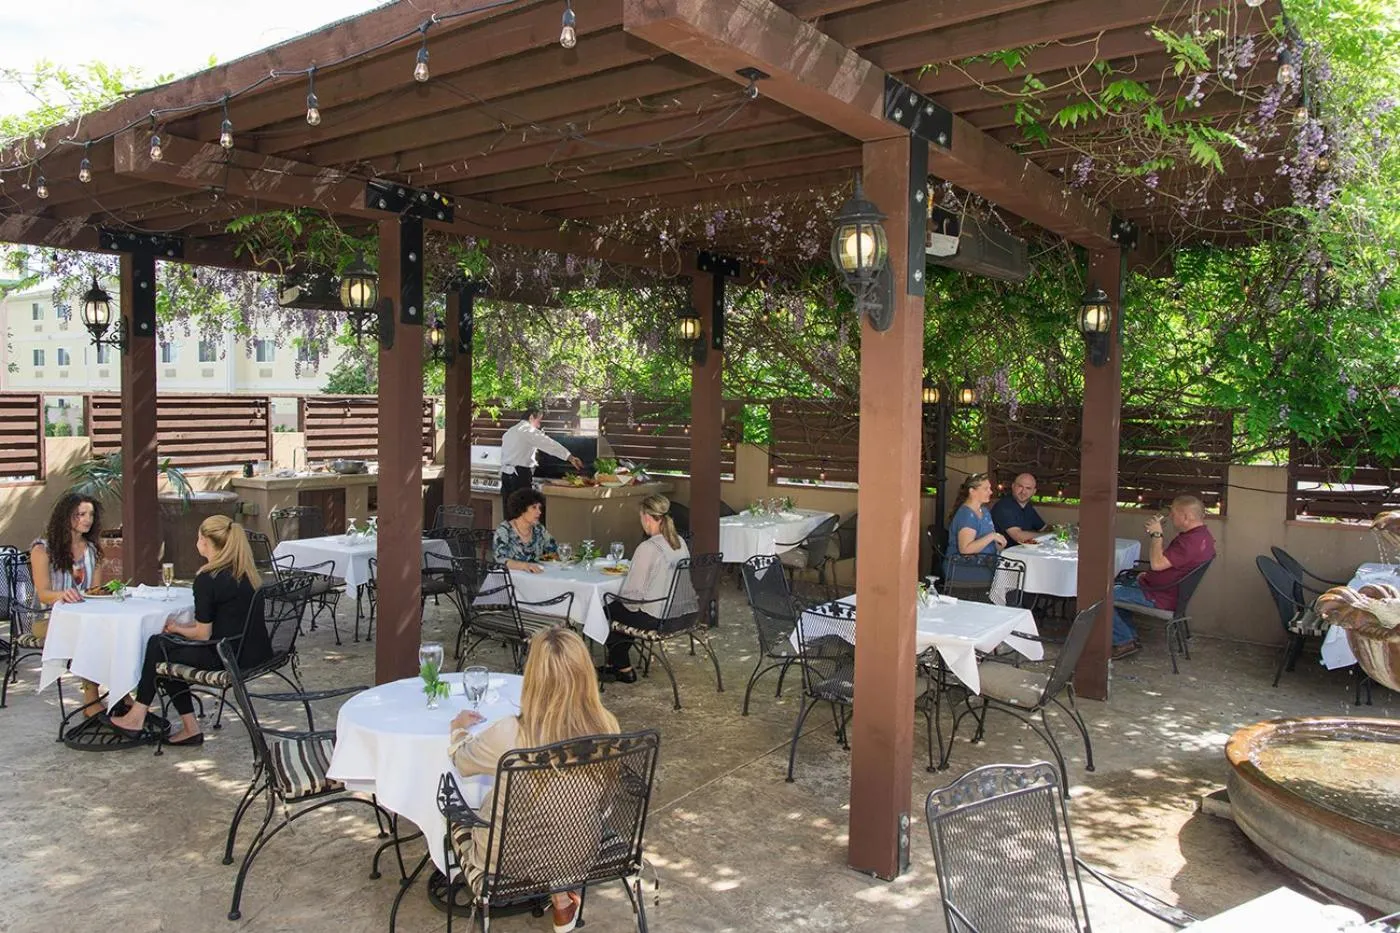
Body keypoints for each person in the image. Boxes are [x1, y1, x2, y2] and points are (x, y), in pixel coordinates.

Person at [449, 626, 618, 933]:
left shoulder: (510, 733)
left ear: (533, 676)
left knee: (456, 810)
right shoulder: (607, 725)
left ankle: (555, 893)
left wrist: (457, 729)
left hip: (505, 861)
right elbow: (601, 797)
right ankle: (561, 898)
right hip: (578, 851)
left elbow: (462, 762)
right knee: (558, 808)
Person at [108, 516, 271, 745]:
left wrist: (176, 628)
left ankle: (138, 716)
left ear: (205, 541)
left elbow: (203, 634)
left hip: (226, 656)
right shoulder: (246, 572)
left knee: (158, 646)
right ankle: (185, 727)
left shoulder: (208, 578)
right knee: (166, 648)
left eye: (198, 537)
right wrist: (179, 630)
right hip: (254, 652)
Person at [599, 494, 691, 684]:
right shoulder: (680, 542)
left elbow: (633, 594)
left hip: (657, 618)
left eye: (641, 517)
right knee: (618, 609)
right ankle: (613, 663)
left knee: (605, 608)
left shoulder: (648, 547)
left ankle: (623, 667)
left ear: (647, 518)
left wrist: (613, 597)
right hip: (681, 612)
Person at [1112, 495, 1216, 659]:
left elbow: (1157, 564)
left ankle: (1124, 642)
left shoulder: (1190, 543)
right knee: (1118, 583)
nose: (1171, 517)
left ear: (1186, 517)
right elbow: (1170, 566)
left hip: (1158, 596)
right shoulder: (1202, 536)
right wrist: (1148, 576)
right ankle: (1128, 637)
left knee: (1102, 595)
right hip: (1160, 589)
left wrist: (1156, 535)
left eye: (1173, 513)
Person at [30, 492, 105, 715]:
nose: (87, 519)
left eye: (90, 514)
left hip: (85, 617)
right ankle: (91, 700)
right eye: (80, 514)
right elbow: (43, 594)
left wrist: (105, 593)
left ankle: (123, 695)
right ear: (65, 517)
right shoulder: (43, 549)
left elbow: (94, 592)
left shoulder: (92, 550)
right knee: (91, 635)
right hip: (48, 619)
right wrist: (62, 595)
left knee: (111, 632)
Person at [498, 407, 583, 513]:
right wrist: (570, 457)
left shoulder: (510, 432)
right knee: (523, 514)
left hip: (506, 476)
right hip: (519, 476)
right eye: (539, 420)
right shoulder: (528, 430)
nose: (539, 424)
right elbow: (549, 444)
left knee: (509, 512)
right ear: (531, 417)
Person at [944, 473, 1006, 584]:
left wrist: (998, 544)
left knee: (1013, 575)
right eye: (986, 489)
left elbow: (989, 541)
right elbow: (966, 550)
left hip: (986, 562)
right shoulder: (967, 515)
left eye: (990, 488)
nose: (991, 492)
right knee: (1008, 578)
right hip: (965, 567)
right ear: (972, 491)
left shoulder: (984, 511)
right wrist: (992, 536)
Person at [493, 488, 558, 573]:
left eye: (539, 508)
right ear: (522, 509)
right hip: (510, 579)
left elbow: (554, 549)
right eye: (534, 508)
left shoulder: (538, 529)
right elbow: (500, 559)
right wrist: (524, 566)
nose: (539, 512)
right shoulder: (504, 530)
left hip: (536, 575)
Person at [991, 472, 1047, 545]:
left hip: (1023, 551)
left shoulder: (1027, 506)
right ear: (1013, 486)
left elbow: (1043, 527)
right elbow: (1018, 536)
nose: (1023, 491)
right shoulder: (1004, 506)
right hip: (1005, 554)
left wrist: (1058, 531)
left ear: (1034, 492)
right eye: (1020, 486)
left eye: (1028, 488)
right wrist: (1049, 536)